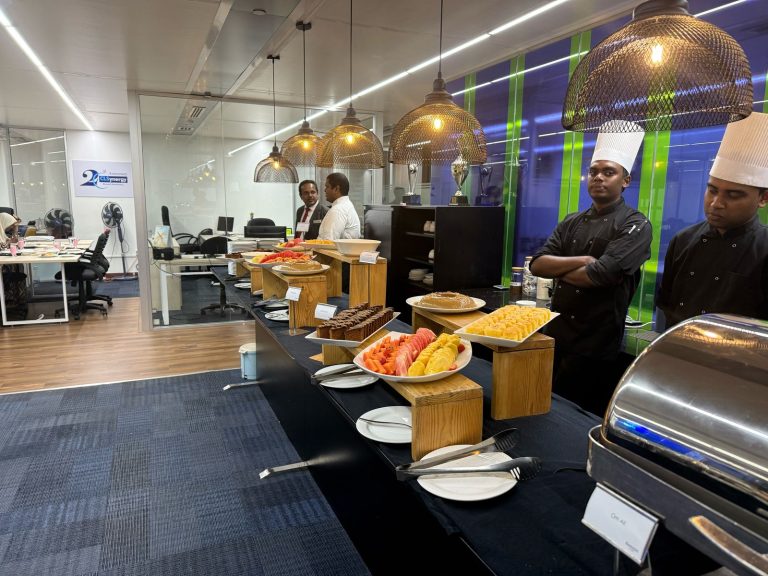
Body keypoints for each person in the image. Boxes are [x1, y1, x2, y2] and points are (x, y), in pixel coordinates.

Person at [530, 121, 652, 415]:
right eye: (593, 171)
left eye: (609, 172)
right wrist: (582, 261)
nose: (598, 177)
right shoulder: (571, 220)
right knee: (545, 408)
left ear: (625, 180)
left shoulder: (635, 224)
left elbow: (602, 275)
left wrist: (560, 269)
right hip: (557, 333)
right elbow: (537, 264)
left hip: (596, 344)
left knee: (576, 415)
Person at [657, 111, 768, 329]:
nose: (716, 203)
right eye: (712, 190)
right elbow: (666, 304)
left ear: (763, 198)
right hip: (678, 345)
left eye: (733, 195)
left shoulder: (764, 250)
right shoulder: (683, 240)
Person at [318, 172, 361, 240]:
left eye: (327, 187)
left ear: (336, 189)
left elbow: (328, 241)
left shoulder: (338, 210)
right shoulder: (345, 205)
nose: (325, 190)